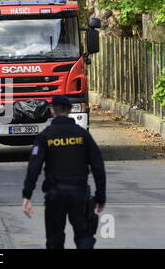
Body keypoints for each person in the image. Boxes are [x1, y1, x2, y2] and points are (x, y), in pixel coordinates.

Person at [22, 95, 106, 249]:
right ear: (70, 110)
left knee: (54, 238)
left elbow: (34, 166)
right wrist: (101, 196)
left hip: (55, 194)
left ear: (52, 111)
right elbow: (98, 165)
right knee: (84, 236)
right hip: (79, 194)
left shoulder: (45, 136)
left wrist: (27, 195)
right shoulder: (83, 135)